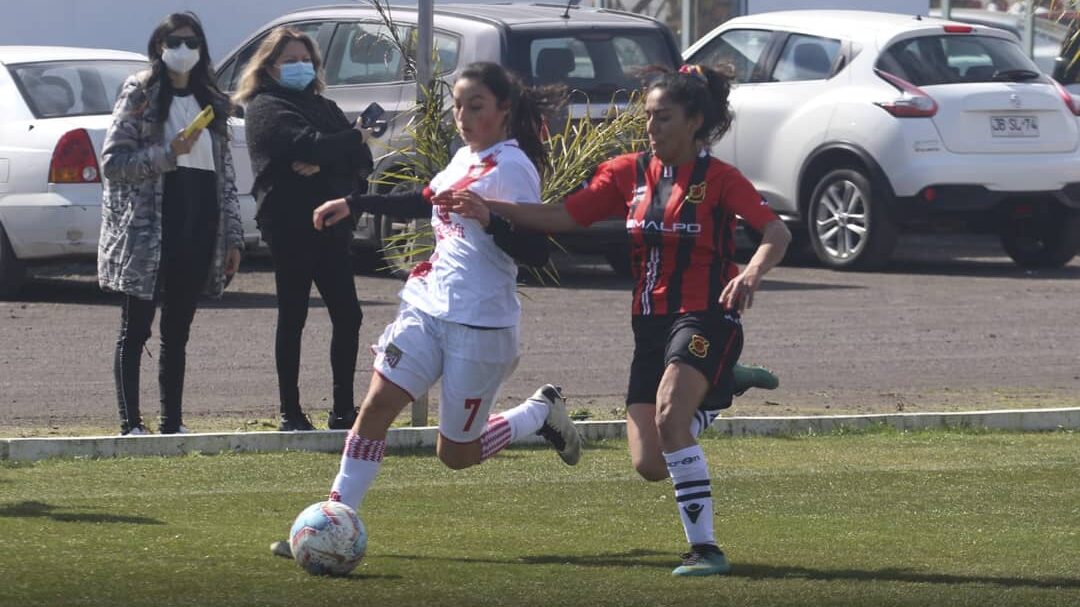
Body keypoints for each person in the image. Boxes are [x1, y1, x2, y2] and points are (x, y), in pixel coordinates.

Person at [443, 63, 792, 576]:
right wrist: (491, 210)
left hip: (705, 315)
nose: (651, 127)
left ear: (695, 121)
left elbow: (775, 232)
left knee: (672, 417)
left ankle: (706, 550)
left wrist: (752, 274)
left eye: (663, 117)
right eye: (648, 117)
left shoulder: (720, 179)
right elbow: (564, 215)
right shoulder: (627, 171)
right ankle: (721, 385)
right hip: (649, 324)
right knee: (651, 463)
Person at [268, 61, 583, 559]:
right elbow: (426, 200)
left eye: (474, 106)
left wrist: (491, 220)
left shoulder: (514, 167)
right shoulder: (463, 157)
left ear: (504, 109)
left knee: (456, 455)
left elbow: (538, 253)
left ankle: (537, 413)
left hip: (480, 325)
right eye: (457, 105)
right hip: (427, 307)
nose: (462, 116)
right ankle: (332, 519)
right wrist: (355, 203)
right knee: (374, 408)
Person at [99, 11, 243, 436]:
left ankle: (172, 422)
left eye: (191, 42)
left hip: (199, 220)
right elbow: (113, 162)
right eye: (174, 42)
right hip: (150, 226)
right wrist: (168, 153)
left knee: (177, 330)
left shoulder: (211, 100)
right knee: (137, 326)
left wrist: (233, 237)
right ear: (159, 47)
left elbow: (227, 179)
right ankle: (131, 423)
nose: (184, 51)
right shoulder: (140, 92)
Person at [234, 27, 372, 431]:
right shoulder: (266, 107)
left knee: (348, 315)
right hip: (291, 225)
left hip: (332, 225)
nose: (300, 67)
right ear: (270, 66)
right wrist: (346, 141)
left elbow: (360, 160)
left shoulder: (323, 105)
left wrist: (331, 156)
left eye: (305, 60)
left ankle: (343, 409)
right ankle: (290, 411)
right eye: (290, 61)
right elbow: (310, 144)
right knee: (293, 315)